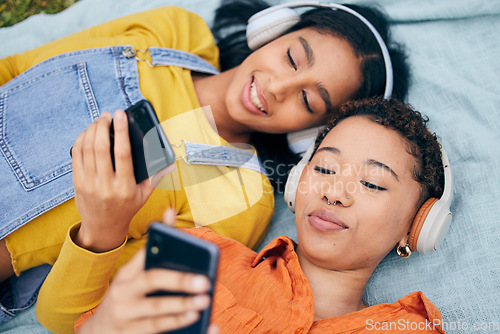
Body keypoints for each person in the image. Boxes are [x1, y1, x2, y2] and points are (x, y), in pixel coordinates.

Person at [0, 0, 411, 327]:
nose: (277, 87)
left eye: (308, 101)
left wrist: (102, 230)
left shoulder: (243, 198)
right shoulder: (176, 32)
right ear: (271, 32)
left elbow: (69, 318)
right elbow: (18, 70)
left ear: (310, 134)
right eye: (291, 57)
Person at [71, 97, 446, 334]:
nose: (334, 193)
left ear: (416, 226)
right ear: (298, 180)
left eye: (372, 184)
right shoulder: (201, 256)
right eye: (325, 170)